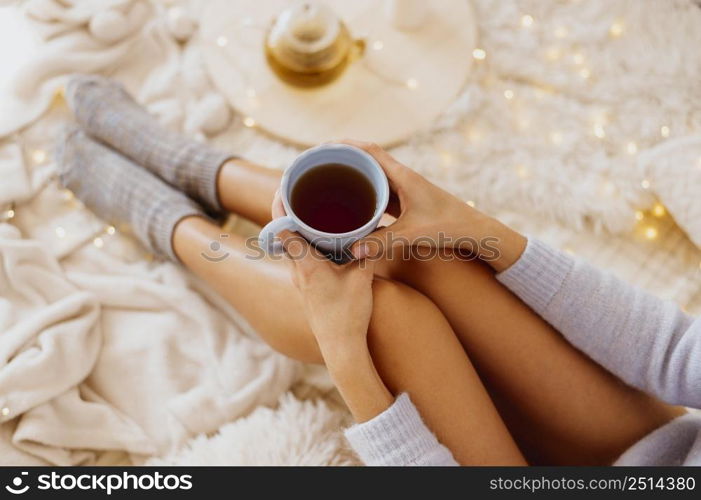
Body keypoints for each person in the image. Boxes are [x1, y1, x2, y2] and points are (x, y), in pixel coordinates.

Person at [57, 75, 700, 466]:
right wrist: (471, 225)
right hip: (649, 453)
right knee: (418, 250)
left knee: (379, 321)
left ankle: (174, 226)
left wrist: (345, 361)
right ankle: (205, 171)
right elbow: (675, 351)